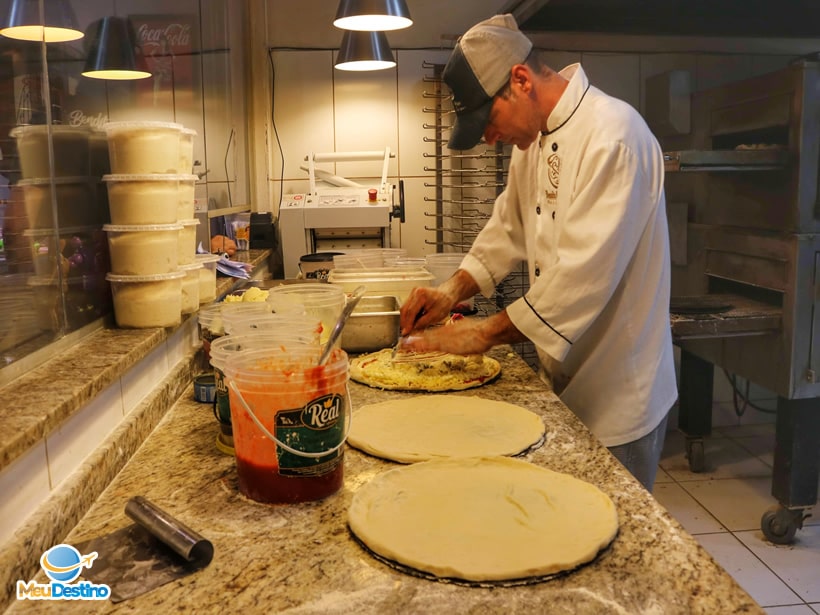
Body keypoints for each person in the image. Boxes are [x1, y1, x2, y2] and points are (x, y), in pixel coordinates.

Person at [399, 14, 678, 490]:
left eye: (488, 121)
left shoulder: (614, 137)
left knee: (615, 545)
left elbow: (579, 280)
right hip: (565, 379)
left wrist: (481, 334)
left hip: (619, 391)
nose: (488, 138)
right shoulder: (533, 143)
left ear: (521, 81)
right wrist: (451, 291)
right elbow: (507, 228)